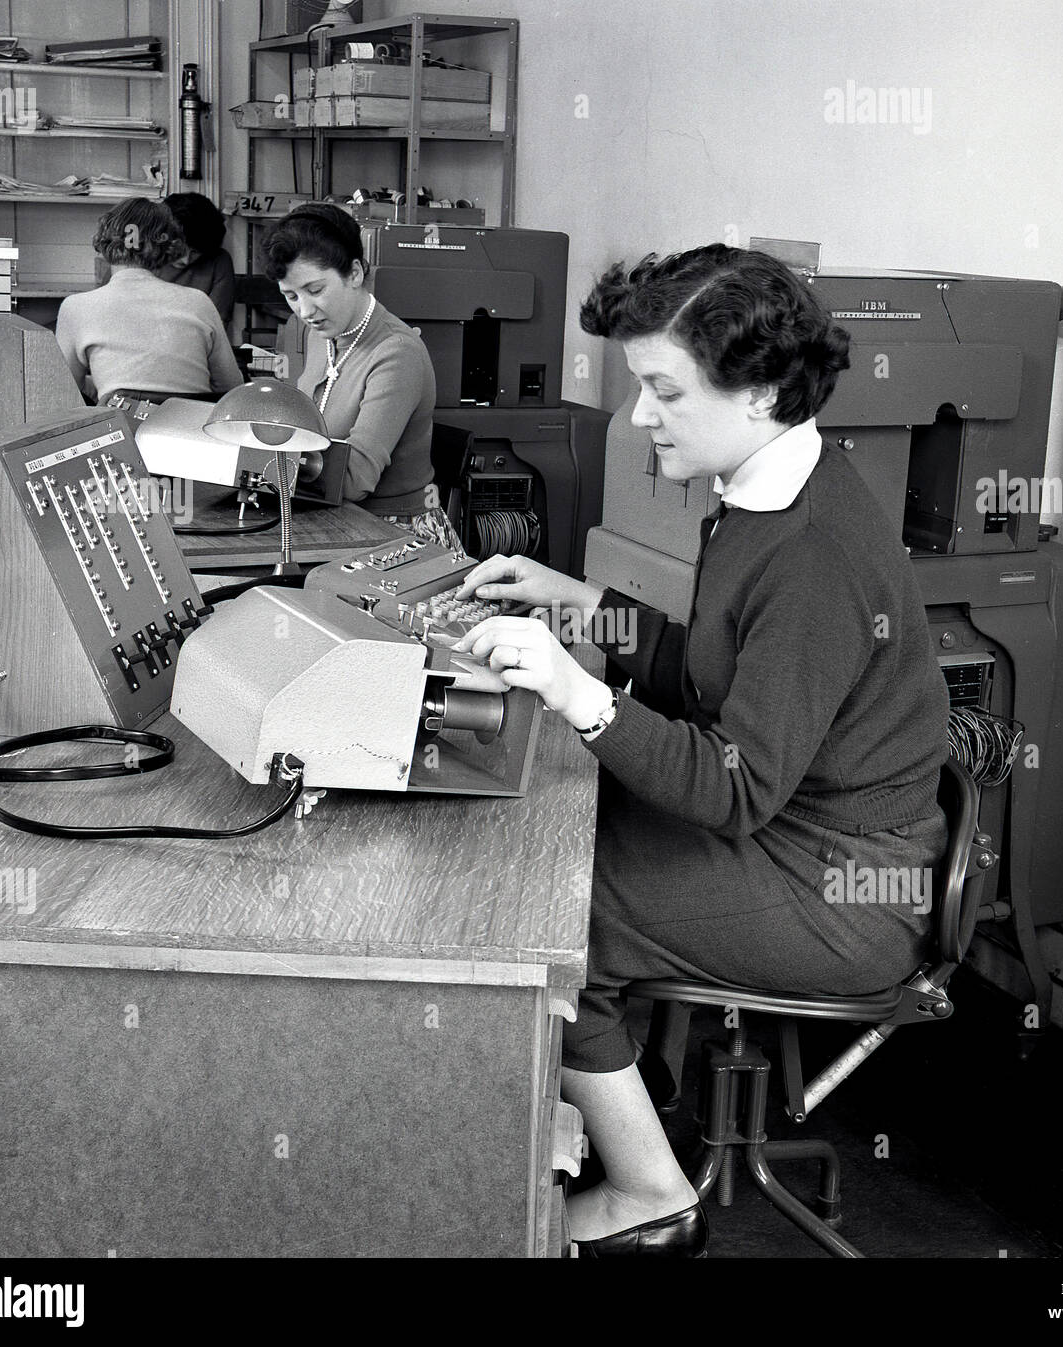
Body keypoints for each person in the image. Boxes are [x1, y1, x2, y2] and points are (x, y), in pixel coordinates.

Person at [450, 244, 951, 1257]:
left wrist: (575, 690)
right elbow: (706, 669)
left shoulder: (813, 554)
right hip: (802, 837)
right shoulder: (766, 485)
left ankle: (650, 1196)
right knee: (561, 856)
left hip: (845, 887)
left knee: (554, 915)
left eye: (660, 391)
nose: (639, 418)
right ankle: (612, 1089)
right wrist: (575, 602)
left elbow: (733, 787)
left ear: (759, 392)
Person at [260, 203, 455, 548]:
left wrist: (264, 460)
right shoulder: (321, 334)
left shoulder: (397, 352)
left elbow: (354, 478)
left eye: (316, 290)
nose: (305, 311)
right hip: (330, 517)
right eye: (291, 296)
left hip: (395, 537)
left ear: (354, 273)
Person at [56, 197, 243, 405]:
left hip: (120, 431)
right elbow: (231, 386)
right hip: (190, 430)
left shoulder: (75, 307)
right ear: (170, 247)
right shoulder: (200, 302)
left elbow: (64, 388)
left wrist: (110, 394)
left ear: (104, 242)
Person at [155, 192, 236, 325]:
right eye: (178, 250)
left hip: (196, 341)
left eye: (195, 252)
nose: (186, 260)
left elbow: (217, 324)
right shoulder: (138, 257)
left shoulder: (219, 261)